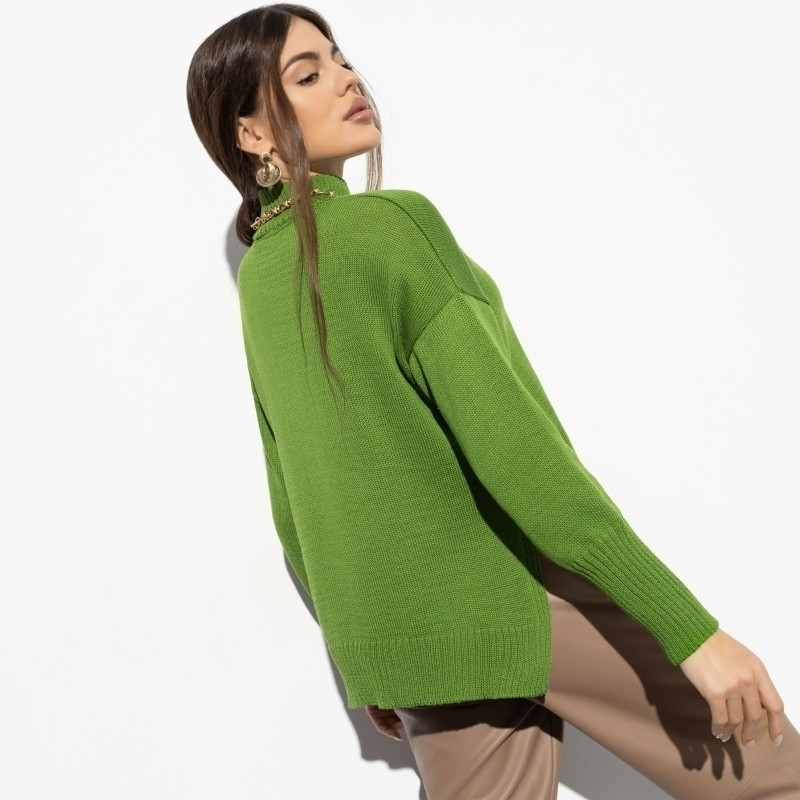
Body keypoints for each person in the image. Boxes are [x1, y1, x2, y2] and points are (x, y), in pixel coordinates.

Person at [186, 5, 799, 798]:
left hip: (413, 638)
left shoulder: (263, 278)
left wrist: (370, 653)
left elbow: (292, 497)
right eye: (308, 75)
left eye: (339, 59)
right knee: (776, 778)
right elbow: (522, 460)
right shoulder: (390, 227)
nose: (346, 79)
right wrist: (693, 634)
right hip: (511, 596)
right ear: (251, 134)